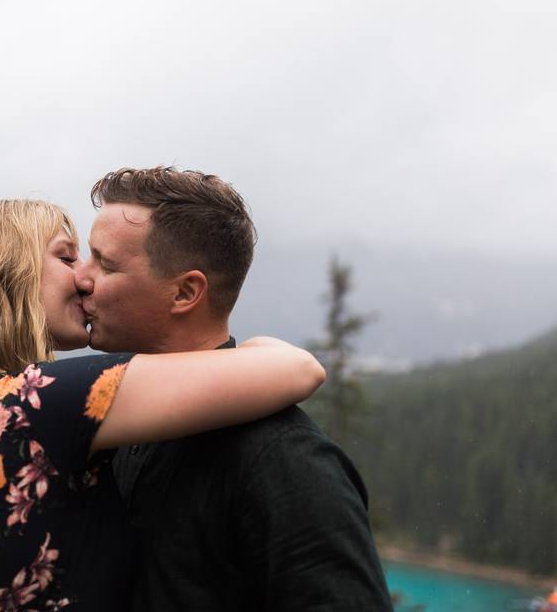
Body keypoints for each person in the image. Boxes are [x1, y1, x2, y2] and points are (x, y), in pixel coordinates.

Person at [0, 199, 325, 612]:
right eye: (67, 258)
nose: (83, 279)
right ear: (11, 273)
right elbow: (299, 369)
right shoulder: (34, 401)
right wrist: (254, 346)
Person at [75, 166, 394, 611]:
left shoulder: (285, 462)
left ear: (185, 293)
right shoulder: (124, 429)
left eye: (104, 263)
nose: (81, 278)